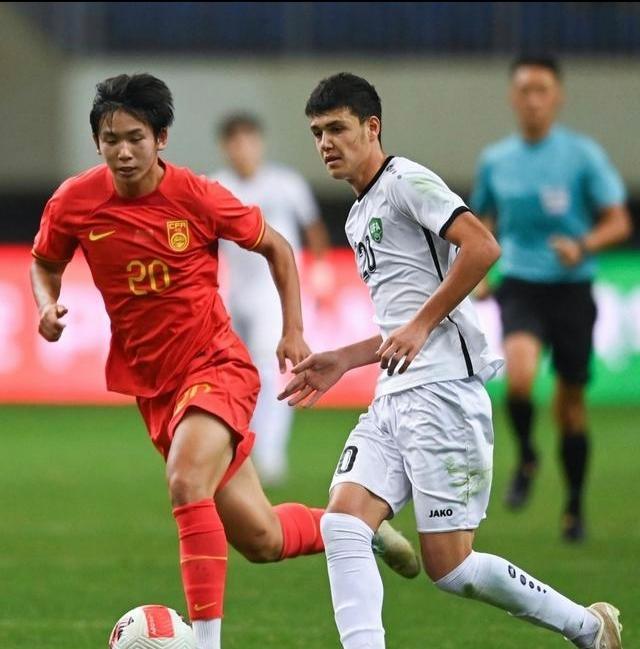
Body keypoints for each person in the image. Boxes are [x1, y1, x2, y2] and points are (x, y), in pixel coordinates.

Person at [29, 73, 418, 649]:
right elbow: (45, 262)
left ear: (161, 138)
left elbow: (278, 247)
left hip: (215, 366)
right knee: (262, 538)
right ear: (97, 143)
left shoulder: (196, 195)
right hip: (154, 389)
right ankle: (357, 527)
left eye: (135, 138)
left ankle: (205, 642)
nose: (124, 151)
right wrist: (46, 304)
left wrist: (292, 330)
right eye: (111, 140)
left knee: (186, 481)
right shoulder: (76, 200)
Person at [279, 72, 623, 649]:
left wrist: (420, 324)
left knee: (452, 567)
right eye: (317, 133)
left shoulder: (406, 181)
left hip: (443, 395)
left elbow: (483, 246)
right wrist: (346, 358)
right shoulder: (358, 215)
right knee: (341, 523)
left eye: (336, 128)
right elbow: (399, 326)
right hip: (393, 395)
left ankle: (588, 627)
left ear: (372, 126)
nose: (325, 143)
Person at [470, 56, 632, 542]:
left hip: (571, 288)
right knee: (519, 379)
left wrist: (583, 244)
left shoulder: (581, 156)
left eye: (542, 90)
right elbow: (480, 221)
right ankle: (527, 455)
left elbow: (619, 221)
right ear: (512, 97)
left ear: (557, 96)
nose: (533, 100)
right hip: (520, 282)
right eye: (525, 90)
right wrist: (478, 271)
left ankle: (574, 505)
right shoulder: (496, 160)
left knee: (570, 406)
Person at [211, 112, 330, 485]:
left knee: (269, 368)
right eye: (235, 142)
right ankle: (240, 448)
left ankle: (271, 452)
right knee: (236, 372)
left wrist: (321, 269)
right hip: (235, 292)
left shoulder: (285, 184)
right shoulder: (217, 186)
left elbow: (313, 228)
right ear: (225, 147)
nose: (243, 149)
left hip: (274, 293)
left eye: (249, 140)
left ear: (259, 143)